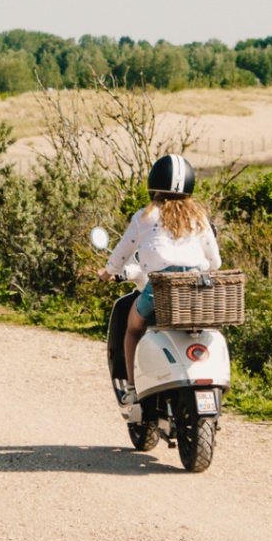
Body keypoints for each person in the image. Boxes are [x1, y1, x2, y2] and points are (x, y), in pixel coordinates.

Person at [98, 155, 221, 402]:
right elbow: (215, 262)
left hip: (159, 289)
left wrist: (107, 273)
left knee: (132, 328)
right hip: (194, 290)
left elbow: (121, 253)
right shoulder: (199, 217)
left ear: (154, 183)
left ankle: (131, 389)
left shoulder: (144, 217)